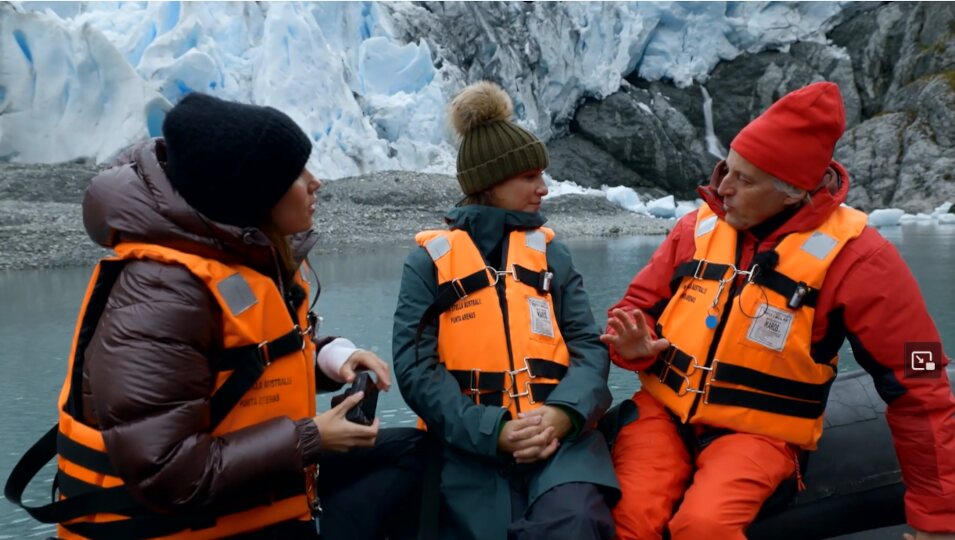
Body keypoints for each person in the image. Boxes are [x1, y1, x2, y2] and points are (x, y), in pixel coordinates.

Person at [5, 93, 423, 539]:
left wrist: (331, 358)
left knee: (413, 451)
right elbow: (167, 473)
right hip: (180, 524)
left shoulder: (229, 260)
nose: (315, 182)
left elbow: (245, 360)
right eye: (295, 174)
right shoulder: (163, 294)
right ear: (251, 195)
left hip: (246, 497)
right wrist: (312, 439)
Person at [601, 81, 955, 539]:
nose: (721, 188)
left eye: (744, 179)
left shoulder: (860, 259)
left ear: (793, 192)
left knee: (703, 527)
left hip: (758, 435)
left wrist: (937, 518)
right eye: (726, 169)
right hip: (660, 415)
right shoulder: (696, 228)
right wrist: (634, 346)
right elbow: (633, 308)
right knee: (628, 522)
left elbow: (920, 381)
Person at [391, 81, 620, 540]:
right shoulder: (429, 262)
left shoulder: (552, 254)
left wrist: (563, 414)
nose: (544, 188)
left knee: (574, 521)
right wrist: (490, 431)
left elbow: (587, 348)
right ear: (490, 183)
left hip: (560, 439)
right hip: (469, 443)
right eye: (530, 177)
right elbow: (415, 367)